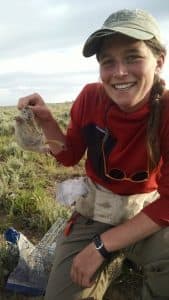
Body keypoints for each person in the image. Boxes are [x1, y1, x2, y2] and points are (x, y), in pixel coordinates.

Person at [17, 8, 169, 300]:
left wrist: (101, 246)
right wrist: (48, 120)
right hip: (96, 212)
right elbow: (69, 156)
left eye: (133, 57)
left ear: (159, 61)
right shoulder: (89, 98)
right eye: (108, 62)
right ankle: (113, 261)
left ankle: (115, 254)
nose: (120, 72)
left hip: (145, 214)